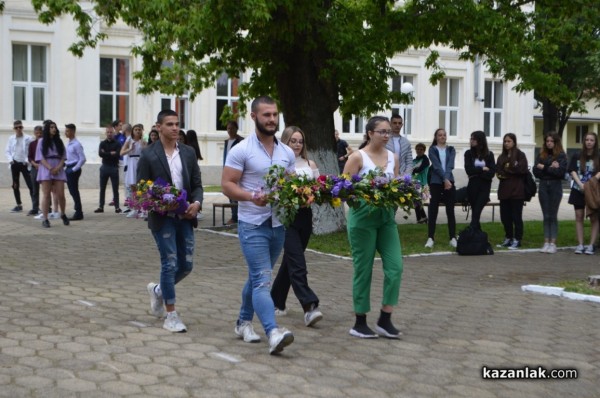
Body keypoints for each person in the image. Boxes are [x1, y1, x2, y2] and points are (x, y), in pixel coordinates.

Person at [222, 95, 296, 355]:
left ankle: (243, 322)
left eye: (275, 115)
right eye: (266, 115)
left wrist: (301, 192)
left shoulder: (286, 152)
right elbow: (227, 184)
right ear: (254, 116)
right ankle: (273, 331)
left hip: (278, 225)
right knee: (263, 280)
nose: (272, 119)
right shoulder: (241, 150)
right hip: (252, 223)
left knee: (257, 277)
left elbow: (291, 183)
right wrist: (253, 196)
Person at [139, 109, 204, 333]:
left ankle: (158, 291)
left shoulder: (188, 152)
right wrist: (162, 204)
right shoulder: (148, 155)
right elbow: (142, 190)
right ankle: (171, 315)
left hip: (186, 217)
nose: (175, 128)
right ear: (158, 127)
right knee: (170, 262)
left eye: (177, 124)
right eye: (169, 124)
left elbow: (196, 185)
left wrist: (196, 203)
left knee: (186, 266)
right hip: (162, 218)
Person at [343, 116, 403, 339]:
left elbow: (396, 185)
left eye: (389, 131)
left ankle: (385, 319)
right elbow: (343, 188)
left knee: (395, 267)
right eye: (382, 131)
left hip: (386, 220)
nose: (387, 135)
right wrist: (359, 202)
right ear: (370, 133)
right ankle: (359, 322)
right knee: (363, 270)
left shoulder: (393, 157)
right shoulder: (357, 157)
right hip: (363, 220)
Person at [270, 126, 323, 327]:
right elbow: (274, 190)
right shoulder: (278, 164)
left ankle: (276, 300)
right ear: (285, 142)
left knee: (291, 262)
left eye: (300, 141)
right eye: (293, 141)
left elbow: (318, 188)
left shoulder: (310, 163)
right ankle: (309, 306)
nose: (298, 145)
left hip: (305, 216)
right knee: (298, 262)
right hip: (286, 217)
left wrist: (314, 194)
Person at [533, 132, 568, 254]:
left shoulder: (561, 155)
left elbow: (560, 173)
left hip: (555, 186)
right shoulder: (541, 154)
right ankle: (546, 242)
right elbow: (535, 171)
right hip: (543, 185)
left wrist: (545, 167)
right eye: (547, 141)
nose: (549, 143)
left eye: (551, 141)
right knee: (546, 215)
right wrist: (550, 167)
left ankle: (553, 243)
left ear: (556, 142)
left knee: (553, 215)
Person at [568, 132, 600, 255]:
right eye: (587, 139)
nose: (589, 142)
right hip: (578, 189)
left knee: (594, 217)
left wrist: (591, 182)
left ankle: (591, 245)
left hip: (592, 191)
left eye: (591, 140)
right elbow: (572, 170)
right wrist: (580, 184)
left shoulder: (598, 156)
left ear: (595, 142)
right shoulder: (577, 155)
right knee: (579, 216)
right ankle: (580, 244)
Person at [496, 133, 528, 250]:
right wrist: (511, 169)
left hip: (517, 191)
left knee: (516, 217)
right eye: (505, 141)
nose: (506, 143)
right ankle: (508, 237)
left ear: (514, 142)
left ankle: (517, 239)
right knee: (505, 217)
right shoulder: (501, 157)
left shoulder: (520, 155)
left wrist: (508, 169)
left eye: (509, 141)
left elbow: (522, 169)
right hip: (504, 191)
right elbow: (499, 172)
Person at [425, 128, 457, 248]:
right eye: (440, 135)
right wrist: (445, 179)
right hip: (436, 182)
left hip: (449, 182)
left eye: (444, 135)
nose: (442, 137)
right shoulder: (432, 149)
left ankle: (453, 237)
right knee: (433, 210)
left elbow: (450, 165)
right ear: (436, 137)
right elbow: (437, 166)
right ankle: (430, 237)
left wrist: (447, 179)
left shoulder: (451, 149)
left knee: (450, 210)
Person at [35, 120, 69, 228]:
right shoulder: (41, 141)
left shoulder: (59, 141)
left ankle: (63, 213)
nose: (54, 129)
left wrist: (58, 167)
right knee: (46, 195)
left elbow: (63, 157)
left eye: (55, 127)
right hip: (46, 168)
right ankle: (45, 218)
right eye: (51, 127)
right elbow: (40, 158)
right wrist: (50, 168)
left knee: (61, 194)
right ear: (47, 129)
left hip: (58, 167)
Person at [464, 131, 496, 231]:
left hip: (484, 187)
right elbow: (469, 170)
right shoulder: (468, 154)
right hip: (473, 186)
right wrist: (482, 169)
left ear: (480, 140)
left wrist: (477, 173)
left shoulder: (489, 155)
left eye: (473, 139)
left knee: (477, 210)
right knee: (475, 211)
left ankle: (471, 231)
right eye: (471, 138)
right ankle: (477, 234)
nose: (471, 141)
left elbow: (491, 173)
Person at [5, 120, 34, 213]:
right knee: (15, 185)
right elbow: (7, 150)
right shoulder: (11, 138)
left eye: (20, 127)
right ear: (14, 128)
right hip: (15, 164)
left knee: (31, 185)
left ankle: (35, 206)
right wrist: (11, 160)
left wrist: (26, 161)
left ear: (22, 127)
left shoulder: (29, 138)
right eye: (16, 127)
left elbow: (31, 151)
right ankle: (18, 205)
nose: (18, 129)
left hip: (25, 164)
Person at [94, 125, 122, 213]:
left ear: (113, 133)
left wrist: (106, 153)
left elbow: (117, 154)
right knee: (102, 188)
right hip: (104, 167)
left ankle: (117, 207)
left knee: (115, 188)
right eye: (108, 132)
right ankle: (101, 206)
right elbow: (100, 154)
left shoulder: (117, 143)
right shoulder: (102, 143)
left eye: (111, 132)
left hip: (114, 167)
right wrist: (111, 153)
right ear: (105, 133)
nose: (109, 134)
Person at [121, 123, 146, 218]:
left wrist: (144, 147)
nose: (138, 131)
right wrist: (130, 149)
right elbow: (122, 152)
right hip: (131, 162)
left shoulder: (143, 141)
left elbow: (146, 152)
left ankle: (142, 208)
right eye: (136, 129)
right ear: (133, 131)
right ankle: (134, 208)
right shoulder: (129, 140)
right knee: (132, 186)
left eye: (139, 130)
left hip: (140, 162)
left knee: (141, 186)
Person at [223, 121, 244, 224]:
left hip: (237, 171)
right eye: (228, 129)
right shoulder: (226, 142)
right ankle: (233, 216)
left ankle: (237, 217)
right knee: (230, 195)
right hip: (228, 170)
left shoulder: (241, 141)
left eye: (232, 128)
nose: (230, 131)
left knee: (237, 195)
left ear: (236, 129)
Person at [64, 123, 86, 221]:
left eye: (68, 131)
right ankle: (78, 210)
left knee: (74, 191)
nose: (66, 132)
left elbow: (82, 159)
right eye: (66, 130)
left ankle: (78, 212)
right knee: (72, 191)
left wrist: (74, 169)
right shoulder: (68, 143)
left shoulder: (77, 144)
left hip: (73, 168)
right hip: (68, 167)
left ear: (73, 131)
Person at [185, 129, 205, 221]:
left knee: (192, 188)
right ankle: (197, 209)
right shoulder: (195, 146)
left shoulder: (188, 148)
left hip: (190, 171)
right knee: (197, 188)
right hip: (196, 170)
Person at [412, 143, 430, 224]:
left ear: (424, 150)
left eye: (421, 149)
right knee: (416, 201)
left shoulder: (425, 160)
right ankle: (422, 218)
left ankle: (421, 218)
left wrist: (413, 169)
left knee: (417, 201)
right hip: (414, 182)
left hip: (421, 183)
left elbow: (419, 170)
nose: (419, 151)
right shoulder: (414, 160)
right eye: (417, 149)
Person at [27, 125, 43, 216]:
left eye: (40, 133)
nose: (39, 134)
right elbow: (29, 157)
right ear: (34, 133)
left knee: (46, 189)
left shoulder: (45, 144)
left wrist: (41, 165)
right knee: (34, 189)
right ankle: (35, 208)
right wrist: (35, 164)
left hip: (44, 168)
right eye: (37, 133)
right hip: (34, 168)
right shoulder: (32, 144)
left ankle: (48, 207)